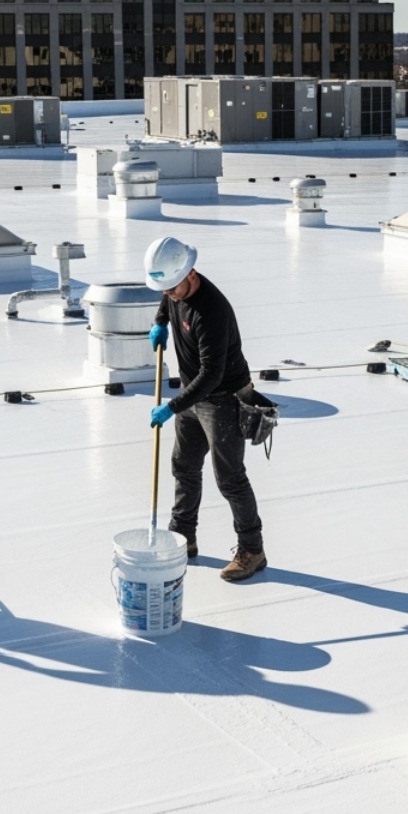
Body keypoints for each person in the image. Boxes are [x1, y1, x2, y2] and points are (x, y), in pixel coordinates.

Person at [144, 236, 266, 582]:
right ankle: (184, 536)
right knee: (183, 465)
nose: (167, 294)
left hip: (223, 397)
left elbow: (211, 375)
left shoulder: (211, 310)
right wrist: (160, 320)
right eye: (162, 288)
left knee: (230, 478)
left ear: (191, 274)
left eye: (171, 288)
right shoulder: (175, 290)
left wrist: (172, 407)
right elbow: (168, 302)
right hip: (192, 395)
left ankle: (252, 550)